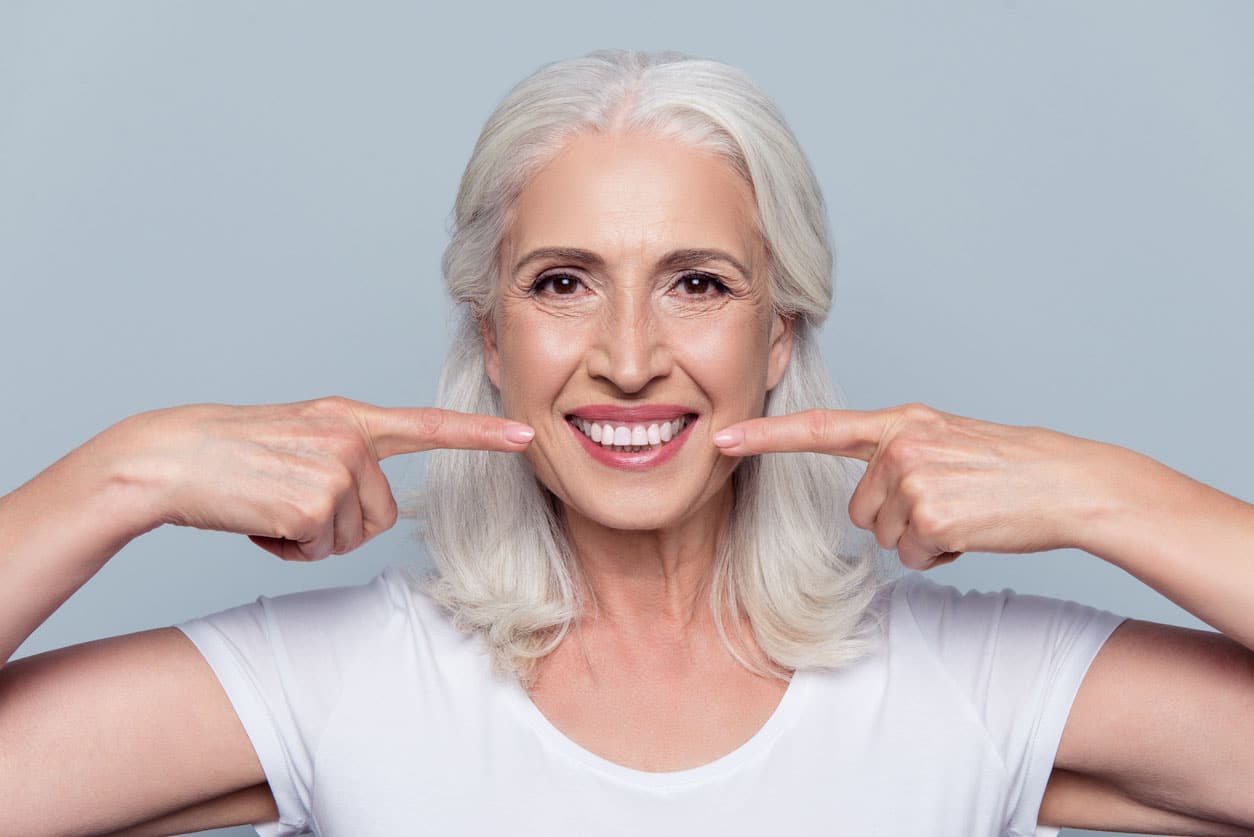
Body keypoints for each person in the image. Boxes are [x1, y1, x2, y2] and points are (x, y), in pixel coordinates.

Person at [1, 49, 1252, 837]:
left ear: (781, 332)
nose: (633, 354)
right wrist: (132, 471)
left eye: (700, 284)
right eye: (562, 284)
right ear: (493, 336)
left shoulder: (974, 688)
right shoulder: (343, 683)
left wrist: (1103, 493)